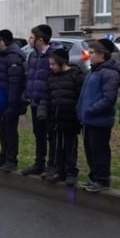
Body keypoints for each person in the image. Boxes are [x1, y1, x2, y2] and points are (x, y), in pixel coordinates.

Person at [76, 38, 120, 192]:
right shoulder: (93, 70)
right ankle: (94, 177)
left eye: (92, 52)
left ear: (102, 54)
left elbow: (109, 98)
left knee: (99, 151)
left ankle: (102, 179)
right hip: (88, 119)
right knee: (90, 150)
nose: (89, 55)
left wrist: (92, 109)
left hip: (99, 120)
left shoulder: (109, 73)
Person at [39, 48, 84, 185]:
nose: (51, 67)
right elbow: (46, 97)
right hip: (55, 118)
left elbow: (80, 97)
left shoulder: (75, 76)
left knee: (69, 146)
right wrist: (43, 111)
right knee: (56, 146)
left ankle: (71, 172)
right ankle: (59, 170)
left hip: (70, 118)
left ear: (62, 62)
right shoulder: (51, 78)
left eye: (53, 64)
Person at [21, 24, 56, 177]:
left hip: (47, 102)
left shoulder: (52, 55)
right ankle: (39, 162)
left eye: (32, 37)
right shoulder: (33, 55)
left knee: (50, 134)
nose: (30, 40)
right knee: (38, 134)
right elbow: (30, 75)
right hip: (35, 101)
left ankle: (52, 164)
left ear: (40, 40)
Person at [0, 30, 26, 172]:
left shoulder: (13, 57)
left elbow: (15, 83)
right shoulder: (3, 56)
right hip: (1, 100)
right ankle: (3, 155)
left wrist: (12, 104)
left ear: (2, 41)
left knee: (10, 130)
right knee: (3, 129)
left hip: (10, 101)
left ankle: (11, 159)